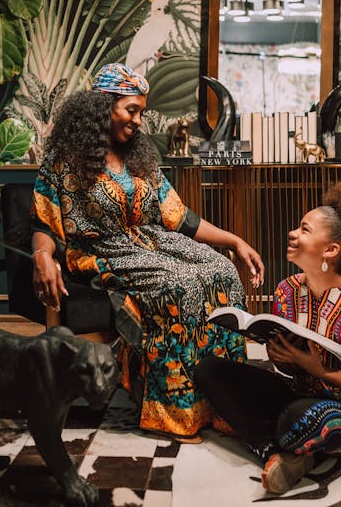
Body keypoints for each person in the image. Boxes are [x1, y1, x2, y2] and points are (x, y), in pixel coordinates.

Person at [30, 63, 264, 440]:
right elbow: (43, 224)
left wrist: (234, 241)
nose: (138, 120)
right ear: (102, 106)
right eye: (131, 110)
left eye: (141, 111)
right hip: (102, 251)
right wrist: (42, 256)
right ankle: (173, 410)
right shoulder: (63, 163)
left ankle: (223, 401)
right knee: (180, 284)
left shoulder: (142, 160)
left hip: (155, 241)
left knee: (222, 270)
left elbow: (180, 218)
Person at [195, 178, 341, 494]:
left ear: (331, 249)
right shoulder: (286, 291)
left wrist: (322, 371)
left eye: (305, 230)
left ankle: (279, 444)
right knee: (209, 370)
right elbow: (290, 371)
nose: (293, 233)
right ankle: (275, 452)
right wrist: (281, 358)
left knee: (294, 419)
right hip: (300, 391)